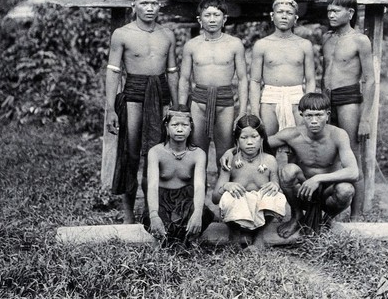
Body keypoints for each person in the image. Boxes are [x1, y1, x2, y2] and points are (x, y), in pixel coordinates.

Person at [221, 93, 359, 238]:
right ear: (301, 115)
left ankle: (327, 219)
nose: (314, 121)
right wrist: (231, 152)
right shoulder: (292, 135)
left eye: (319, 115)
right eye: (309, 116)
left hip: (327, 192)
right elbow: (257, 143)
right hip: (302, 191)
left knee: (346, 189)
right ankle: (297, 215)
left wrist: (317, 178)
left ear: (328, 114)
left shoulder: (338, 135)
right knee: (288, 170)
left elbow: (353, 172)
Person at [105, 0, 179, 225]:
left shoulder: (167, 35)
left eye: (154, 4)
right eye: (144, 3)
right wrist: (111, 109)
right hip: (133, 94)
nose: (149, 8)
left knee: (155, 153)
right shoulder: (122, 34)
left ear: (160, 7)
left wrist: (176, 105)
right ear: (133, 6)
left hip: (160, 94)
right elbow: (113, 73)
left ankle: (152, 211)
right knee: (131, 152)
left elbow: (172, 72)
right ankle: (128, 215)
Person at [321, 0, 375, 219]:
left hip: (349, 98)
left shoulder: (360, 41)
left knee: (353, 154)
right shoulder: (327, 38)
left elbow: (370, 80)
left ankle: (356, 217)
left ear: (350, 12)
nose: (331, 15)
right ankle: (327, 209)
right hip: (326, 99)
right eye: (329, 11)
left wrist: (365, 118)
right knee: (328, 152)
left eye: (336, 11)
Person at [178, 0, 248, 170]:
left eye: (216, 15)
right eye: (207, 15)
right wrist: (180, 109)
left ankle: (222, 194)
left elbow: (243, 78)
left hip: (225, 101)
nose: (212, 19)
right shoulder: (192, 45)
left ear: (224, 19)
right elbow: (184, 79)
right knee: (196, 151)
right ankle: (196, 195)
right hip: (199, 100)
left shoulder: (234, 44)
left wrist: (243, 110)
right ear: (199, 19)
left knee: (225, 152)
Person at [212, 114, 286, 248]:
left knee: (277, 197)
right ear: (237, 140)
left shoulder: (269, 160)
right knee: (228, 196)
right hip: (237, 214)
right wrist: (227, 186)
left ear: (262, 138)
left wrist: (275, 186)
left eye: (254, 136)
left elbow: (278, 190)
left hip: (260, 215)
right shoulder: (230, 161)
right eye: (244, 137)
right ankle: (234, 234)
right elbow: (215, 198)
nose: (250, 142)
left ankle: (259, 235)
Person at [249, 0, 316, 136]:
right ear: (272, 16)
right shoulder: (262, 45)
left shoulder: (304, 45)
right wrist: (255, 111)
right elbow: (255, 81)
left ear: (295, 18)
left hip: (297, 98)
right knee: (267, 143)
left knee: (299, 145)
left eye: (289, 13)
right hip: (269, 98)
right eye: (280, 12)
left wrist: (308, 106)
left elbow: (310, 80)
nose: (284, 16)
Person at [146, 106, 214, 242]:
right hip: (162, 199)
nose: (179, 129)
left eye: (184, 125)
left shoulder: (198, 154)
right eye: (175, 124)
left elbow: (200, 186)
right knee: (155, 220)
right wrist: (154, 215)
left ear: (191, 127)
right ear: (166, 126)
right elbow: (152, 186)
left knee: (202, 215)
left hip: (186, 201)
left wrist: (197, 213)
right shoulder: (155, 152)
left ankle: (186, 238)